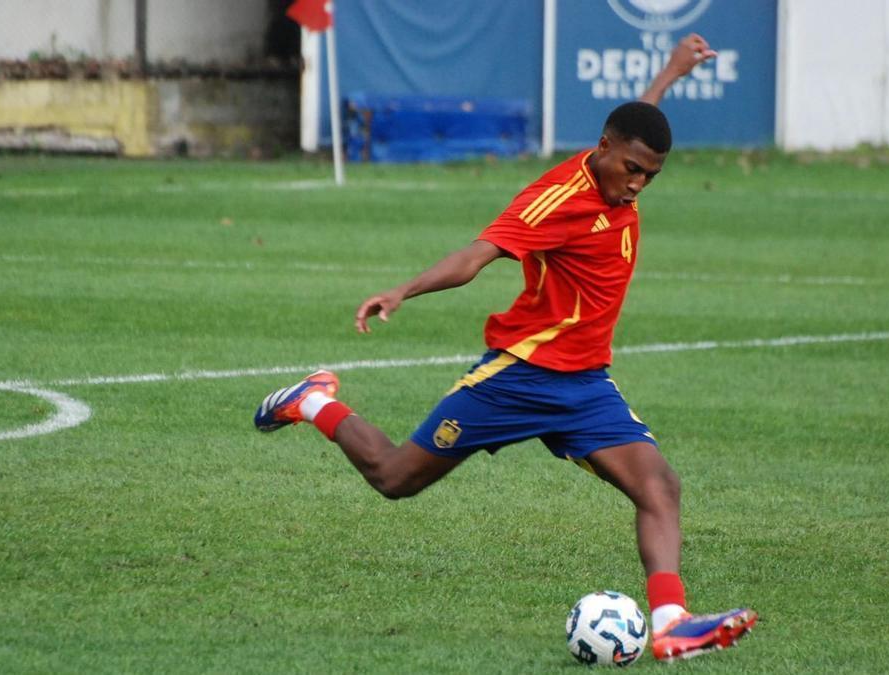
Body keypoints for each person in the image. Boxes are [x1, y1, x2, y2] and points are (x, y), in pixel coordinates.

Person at [254, 33, 757, 662]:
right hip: (518, 375)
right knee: (394, 478)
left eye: (650, 176)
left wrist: (671, 72)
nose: (637, 187)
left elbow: (639, 118)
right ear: (602, 150)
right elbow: (475, 258)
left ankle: (672, 621)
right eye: (631, 170)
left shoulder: (620, 158)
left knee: (660, 486)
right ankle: (313, 402)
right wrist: (405, 289)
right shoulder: (554, 201)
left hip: (584, 385)